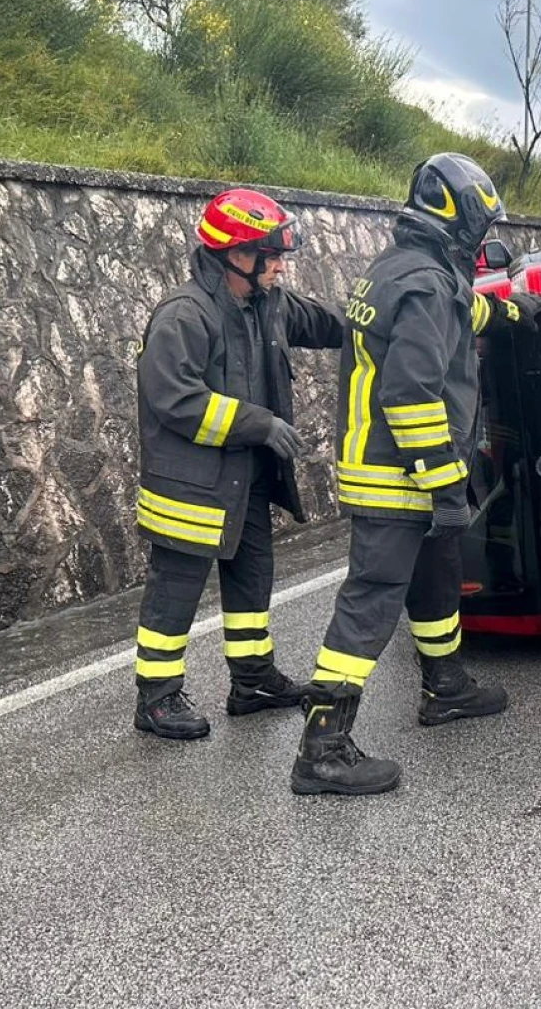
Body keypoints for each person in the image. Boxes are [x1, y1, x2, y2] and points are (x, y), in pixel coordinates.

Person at [288, 152, 541, 797]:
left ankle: (446, 685)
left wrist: (510, 312)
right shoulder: (428, 284)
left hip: (393, 467)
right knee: (373, 597)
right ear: (456, 222)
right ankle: (322, 744)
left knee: (435, 578)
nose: (483, 241)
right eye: (480, 230)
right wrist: (441, 481)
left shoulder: (402, 272)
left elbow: (456, 318)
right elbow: (409, 393)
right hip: (399, 474)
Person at [131, 188, 346, 739]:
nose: (279, 265)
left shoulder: (268, 303)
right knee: (176, 585)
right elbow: (174, 398)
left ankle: (252, 681)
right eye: (269, 255)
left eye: (280, 255)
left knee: (252, 578)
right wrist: (259, 423)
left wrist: (382, 318)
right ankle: (156, 697)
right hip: (190, 486)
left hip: (243, 479)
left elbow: (328, 325)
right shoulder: (184, 315)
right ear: (233, 255)